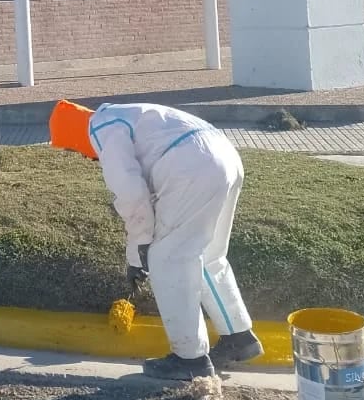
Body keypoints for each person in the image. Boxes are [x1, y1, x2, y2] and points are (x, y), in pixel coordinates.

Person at [50, 99, 263, 381]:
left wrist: (138, 255)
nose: (84, 157)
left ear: (74, 135)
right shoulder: (126, 115)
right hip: (225, 158)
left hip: (192, 167)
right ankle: (239, 337)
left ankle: (190, 359)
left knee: (170, 260)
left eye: (74, 149)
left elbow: (133, 197)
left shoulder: (101, 129)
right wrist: (138, 251)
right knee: (209, 256)